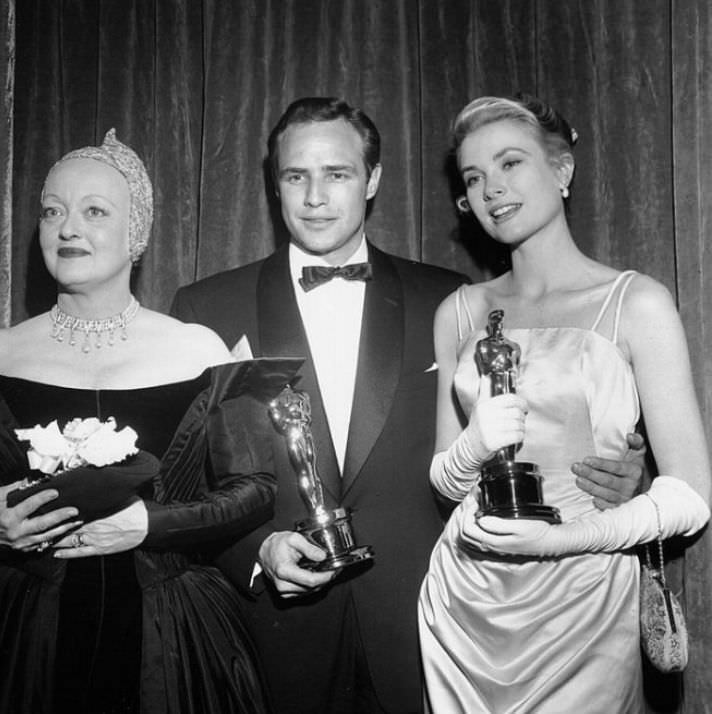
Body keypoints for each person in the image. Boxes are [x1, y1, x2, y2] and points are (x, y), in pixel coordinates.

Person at [171, 97, 645, 714]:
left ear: (371, 180)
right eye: (296, 176)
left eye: (336, 174)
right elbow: (184, 483)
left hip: (432, 623)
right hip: (270, 635)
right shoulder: (206, 309)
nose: (315, 196)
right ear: (274, 183)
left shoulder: (453, 302)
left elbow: (527, 434)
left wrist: (622, 470)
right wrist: (255, 552)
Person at [0, 130, 297, 714]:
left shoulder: (198, 349)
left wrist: (150, 525)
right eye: (52, 211)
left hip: (169, 633)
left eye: (95, 212)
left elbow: (253, 491)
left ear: (136, 234)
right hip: (15, 633)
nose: (68, 229)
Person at [418, 95, 712, 713]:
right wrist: (473, 446)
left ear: (562, 171)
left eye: (510, 164)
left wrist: (562, 540)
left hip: (585, 603)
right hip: (464, 603)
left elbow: (691, 497)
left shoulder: (637, 303)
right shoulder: (460, 312)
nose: (492, 189)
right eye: (474, 178)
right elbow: (446, 484)